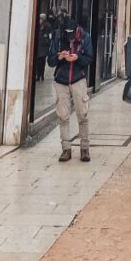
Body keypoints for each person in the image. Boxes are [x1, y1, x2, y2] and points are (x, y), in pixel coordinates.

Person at [47, 14, 93, 163]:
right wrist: (59, 57)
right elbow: (50, 61)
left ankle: (84, 148)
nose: (70, 37)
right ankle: (66, 149)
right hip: (61, 80)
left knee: (83, 114)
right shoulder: (58, 37)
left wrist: (77, 58)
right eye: (67, 34)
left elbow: (90, 59)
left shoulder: (85, 37)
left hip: (78, 79)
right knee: (62, 115)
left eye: (71, 34)